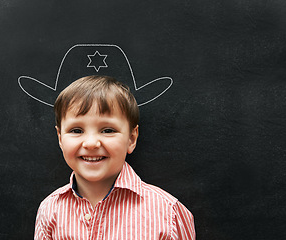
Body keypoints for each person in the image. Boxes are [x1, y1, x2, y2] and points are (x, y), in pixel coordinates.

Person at [34, 75, 195, 239]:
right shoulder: (50, 210)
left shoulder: (168, 212)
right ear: (60, 138)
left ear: (131, 139)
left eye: (108, 130)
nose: (91, 143)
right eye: (76, 130)